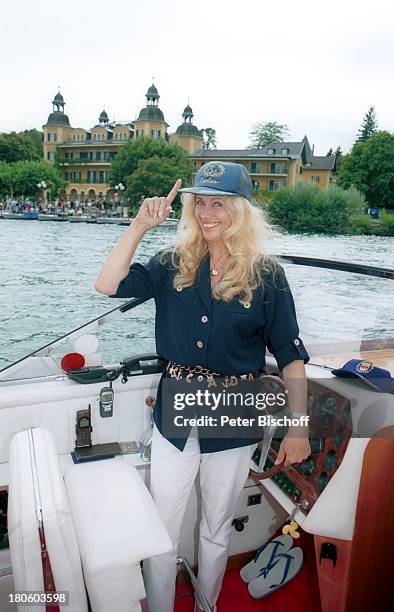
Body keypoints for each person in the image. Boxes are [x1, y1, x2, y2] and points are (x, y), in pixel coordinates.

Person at [95, 161, 311, 612]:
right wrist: (138, 226)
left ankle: (205, 605)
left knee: (216, 527)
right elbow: (107, 284)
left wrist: (298, 429)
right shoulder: (172, 262)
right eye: (201, 203)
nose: (208, 213)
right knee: (159, 528)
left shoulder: (266, 275)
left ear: (241, 210)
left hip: (234, 415)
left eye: (220, 203)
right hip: (175, 410)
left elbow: (291, 359)